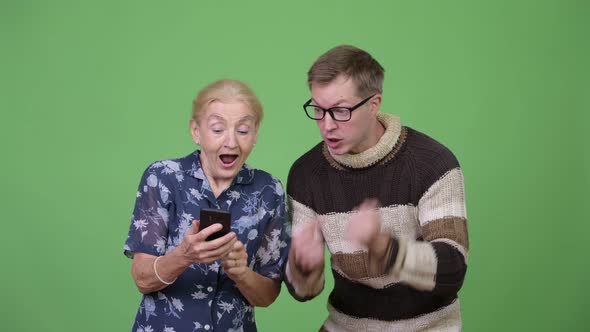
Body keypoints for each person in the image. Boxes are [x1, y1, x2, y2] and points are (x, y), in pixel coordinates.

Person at [285, 45, 469, 331]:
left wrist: (382, 246)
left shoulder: (433, 164)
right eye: (318, 110)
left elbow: (452, 271)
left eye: (340, 111)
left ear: (374, 104)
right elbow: (303, 291)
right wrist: (303, 267)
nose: (327, 125)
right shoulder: (306, 174)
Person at [123, 79, 289, 332]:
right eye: (217, 129)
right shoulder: (163, 177)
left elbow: (268, 295)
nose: (231, 142)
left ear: (255, 134)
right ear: (196, 131)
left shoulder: (268, 190)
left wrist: (242, 273)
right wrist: (184, 255)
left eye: (243, 130)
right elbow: (142, 280)